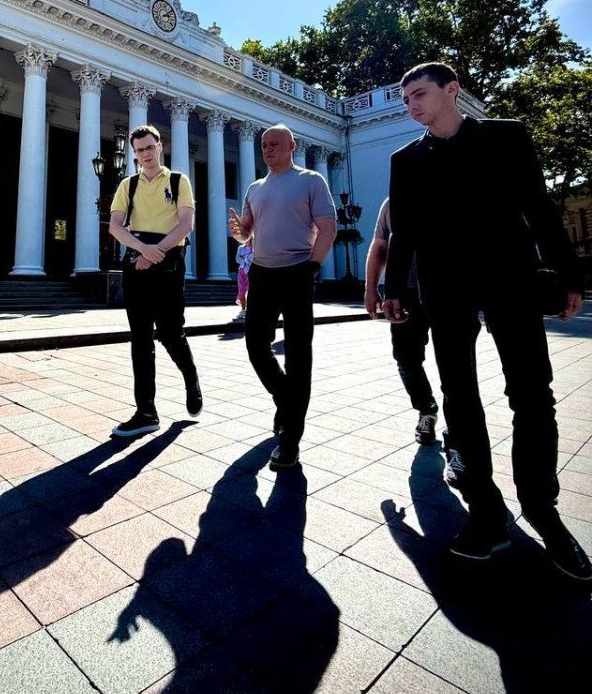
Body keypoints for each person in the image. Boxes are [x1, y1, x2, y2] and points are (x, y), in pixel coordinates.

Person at [383, 62, 589, 581]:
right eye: (406, 99)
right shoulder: (405, 160)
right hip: (444, 290)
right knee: (459, 396)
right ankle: (486, 512)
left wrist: (569, 275)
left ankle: (541, 509)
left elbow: (539, 208)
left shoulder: (506, 137)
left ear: (452, 90)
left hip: (510, 280)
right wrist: (395, 290)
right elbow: (403, 231)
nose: (411, 106)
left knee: (532, 394)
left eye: (420, 94)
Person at [228, 124, 336, 470]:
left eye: (275, 143)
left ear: (292, 145)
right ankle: (286, 400)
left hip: (297, 271)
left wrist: (313, 266)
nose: (268, 148)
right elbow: (246, 234)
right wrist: (239, 233)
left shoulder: (311, 181)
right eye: (264, 144)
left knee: (298, 355)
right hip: (262, 273)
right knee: (255, 346)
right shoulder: (255, 188)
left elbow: (328, 228)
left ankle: (291, 440)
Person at [108, 125, 201, 436]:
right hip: (136, 262)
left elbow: (185, 225)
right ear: (134, 153)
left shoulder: (178, 181)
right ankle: (146, 411)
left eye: (149, 147)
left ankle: (191, 378)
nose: (145, 154)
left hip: (169, 264)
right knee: (140, 339)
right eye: (139, 150)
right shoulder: (128, 185)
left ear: (160, 146)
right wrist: (142, 250)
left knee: (171, 334)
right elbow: (115, 226)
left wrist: (155, 252)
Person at [365, 197, 443, 446]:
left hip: (447, 292)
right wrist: (370, 288)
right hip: (404, 293)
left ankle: (460, 428)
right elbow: (380, 245)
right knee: (406, 358)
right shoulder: (392, 203)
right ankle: (426, 408)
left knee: (454, 361)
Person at [234, 242, 253, 322]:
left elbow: (254, 258)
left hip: (252, 270)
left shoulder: (255, 247)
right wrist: (246, 258)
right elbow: (237, 259)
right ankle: (243, 310)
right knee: (241, 290)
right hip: (241, 270)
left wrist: (244, 258)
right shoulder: (241, 247)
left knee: (251, 290)